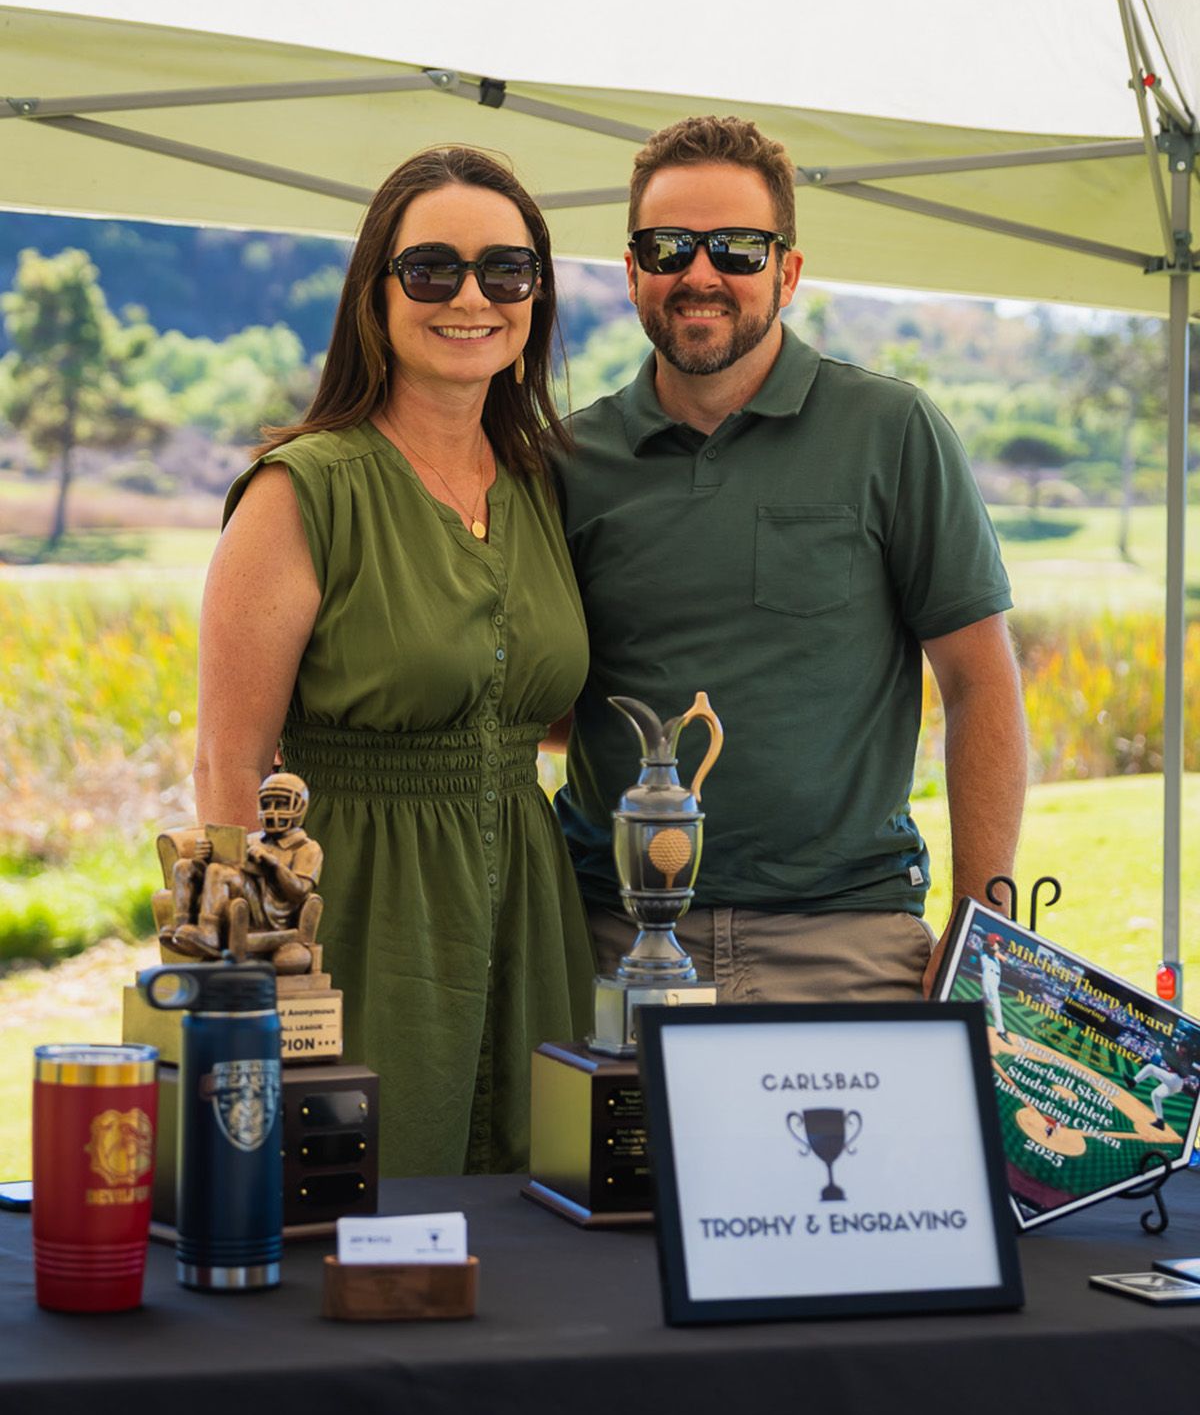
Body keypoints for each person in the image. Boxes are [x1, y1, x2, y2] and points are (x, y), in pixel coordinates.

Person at [554, 115, 1027, 1002]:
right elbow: (544, 705)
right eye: (669, 247)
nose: (701, 273)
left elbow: (980, 681)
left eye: (737, 247)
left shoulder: (891, 431)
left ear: (789, 271)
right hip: (611, 943)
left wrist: (981, 923)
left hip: (848, 944)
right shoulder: (567, 460)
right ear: (631, 273)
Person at [193, 147, 594, 1175]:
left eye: (507, 271)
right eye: (432, 270)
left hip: (529, 909)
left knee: (533, 1234)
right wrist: (255, 980)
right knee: (356, 1209)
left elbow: (523, 699)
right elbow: (228, 767)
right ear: (376, 294)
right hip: (360, 912)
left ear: (537, 298)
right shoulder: (301, 491)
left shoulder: (544, 487)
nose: (472, 297)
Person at [167, 771, 323, 959]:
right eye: (267, 804)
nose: (273, 810)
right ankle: (182, 926)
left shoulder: (307, 848)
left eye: (281, 803)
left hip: (271, 909)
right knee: (184, 867)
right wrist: (203, 860)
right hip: (247, 894)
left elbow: (299, 891)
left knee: (219, 872)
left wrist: (272, 864)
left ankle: (210, 932)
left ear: (299, 806)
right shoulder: (253, 839)